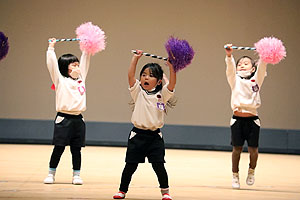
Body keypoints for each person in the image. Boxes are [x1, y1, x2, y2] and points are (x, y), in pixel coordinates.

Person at [113, 50, 176, 200]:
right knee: (130, 166)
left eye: (151, 75)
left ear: (159, 81)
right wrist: (135, 58)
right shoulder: (137, 92)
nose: (146, 77)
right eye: (144, 75)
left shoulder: (163, 95)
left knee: (159, 166)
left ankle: (165, 192)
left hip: (155, 138)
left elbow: (172, 83)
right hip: (137, 136)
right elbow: (130, 76)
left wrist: (172, 68)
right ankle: (122, 190)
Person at [43, 38, 91, 185]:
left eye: (78, 65)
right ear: (65, 68)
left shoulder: (81, 79)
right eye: (74, 65)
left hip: (78, 119)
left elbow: (86, 60)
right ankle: (51, 174)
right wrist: (51, 48)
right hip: (63, 119)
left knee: (77, 150)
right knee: (59, 148)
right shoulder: (60, 80)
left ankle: (76, 175)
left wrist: (86, 48)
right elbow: (51, 65)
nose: (77, 67)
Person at [225, 44, 267, 189]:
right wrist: (229, 56)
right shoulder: (234, 80)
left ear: (252, 68)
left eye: (246, 63)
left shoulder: (257, 80)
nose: (242, 65)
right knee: (236, 149)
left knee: (253, 150)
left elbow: (262, 67)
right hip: (237, 119)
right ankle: (235, 175)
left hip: (253, 120)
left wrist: (264, 55)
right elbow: (230, 69)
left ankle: (251, 171)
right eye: (239, 64)